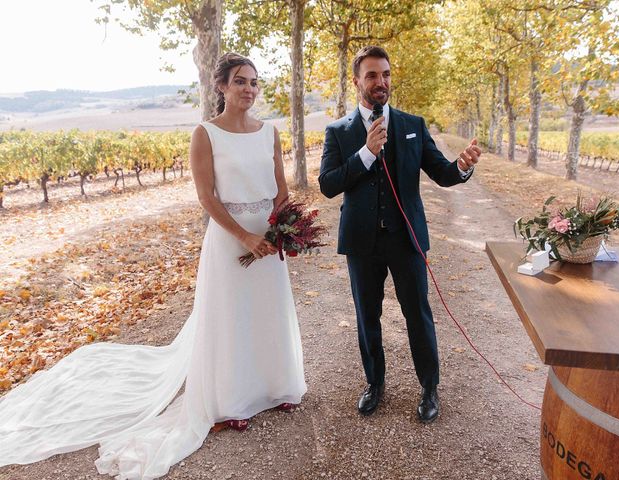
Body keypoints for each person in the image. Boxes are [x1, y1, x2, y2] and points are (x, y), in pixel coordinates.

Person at [0, 52, 306, 479]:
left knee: (268, 311)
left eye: (254, 82)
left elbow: (280, 188)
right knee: (232, 317)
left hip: (268, 237)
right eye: (240, 81)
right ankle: (232, 402)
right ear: (221, 86)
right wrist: (244, 236)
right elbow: (207, 198)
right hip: (230, 238)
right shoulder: (206, 134)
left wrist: (283, 229)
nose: (249, 89)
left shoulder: (269, 132)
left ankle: (276, 386)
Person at [318, 45, 481, 424]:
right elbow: (327, 185)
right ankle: (374, 384)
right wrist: (365, 153)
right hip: (361, 242)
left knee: (417, 313)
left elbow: (442, 172)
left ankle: (429, 387)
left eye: (386, 74)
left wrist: (462, 166)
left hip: (406, 239)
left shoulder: (413, 125)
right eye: (372, 75)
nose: (381, 82)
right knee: (367, 316)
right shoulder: (339, 132)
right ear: (357, 81)